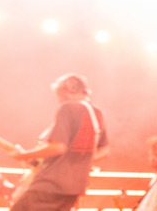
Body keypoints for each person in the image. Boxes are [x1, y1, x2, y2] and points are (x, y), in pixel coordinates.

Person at [9, 72, 109, 211]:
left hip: (51, 184)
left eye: (59, 95)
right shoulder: (96, 113)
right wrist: (80, 161)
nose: (59, 101)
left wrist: (23, 155)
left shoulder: (67, 107)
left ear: (68, 91)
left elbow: (58, 147)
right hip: (75, 187)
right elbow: (104, 150)